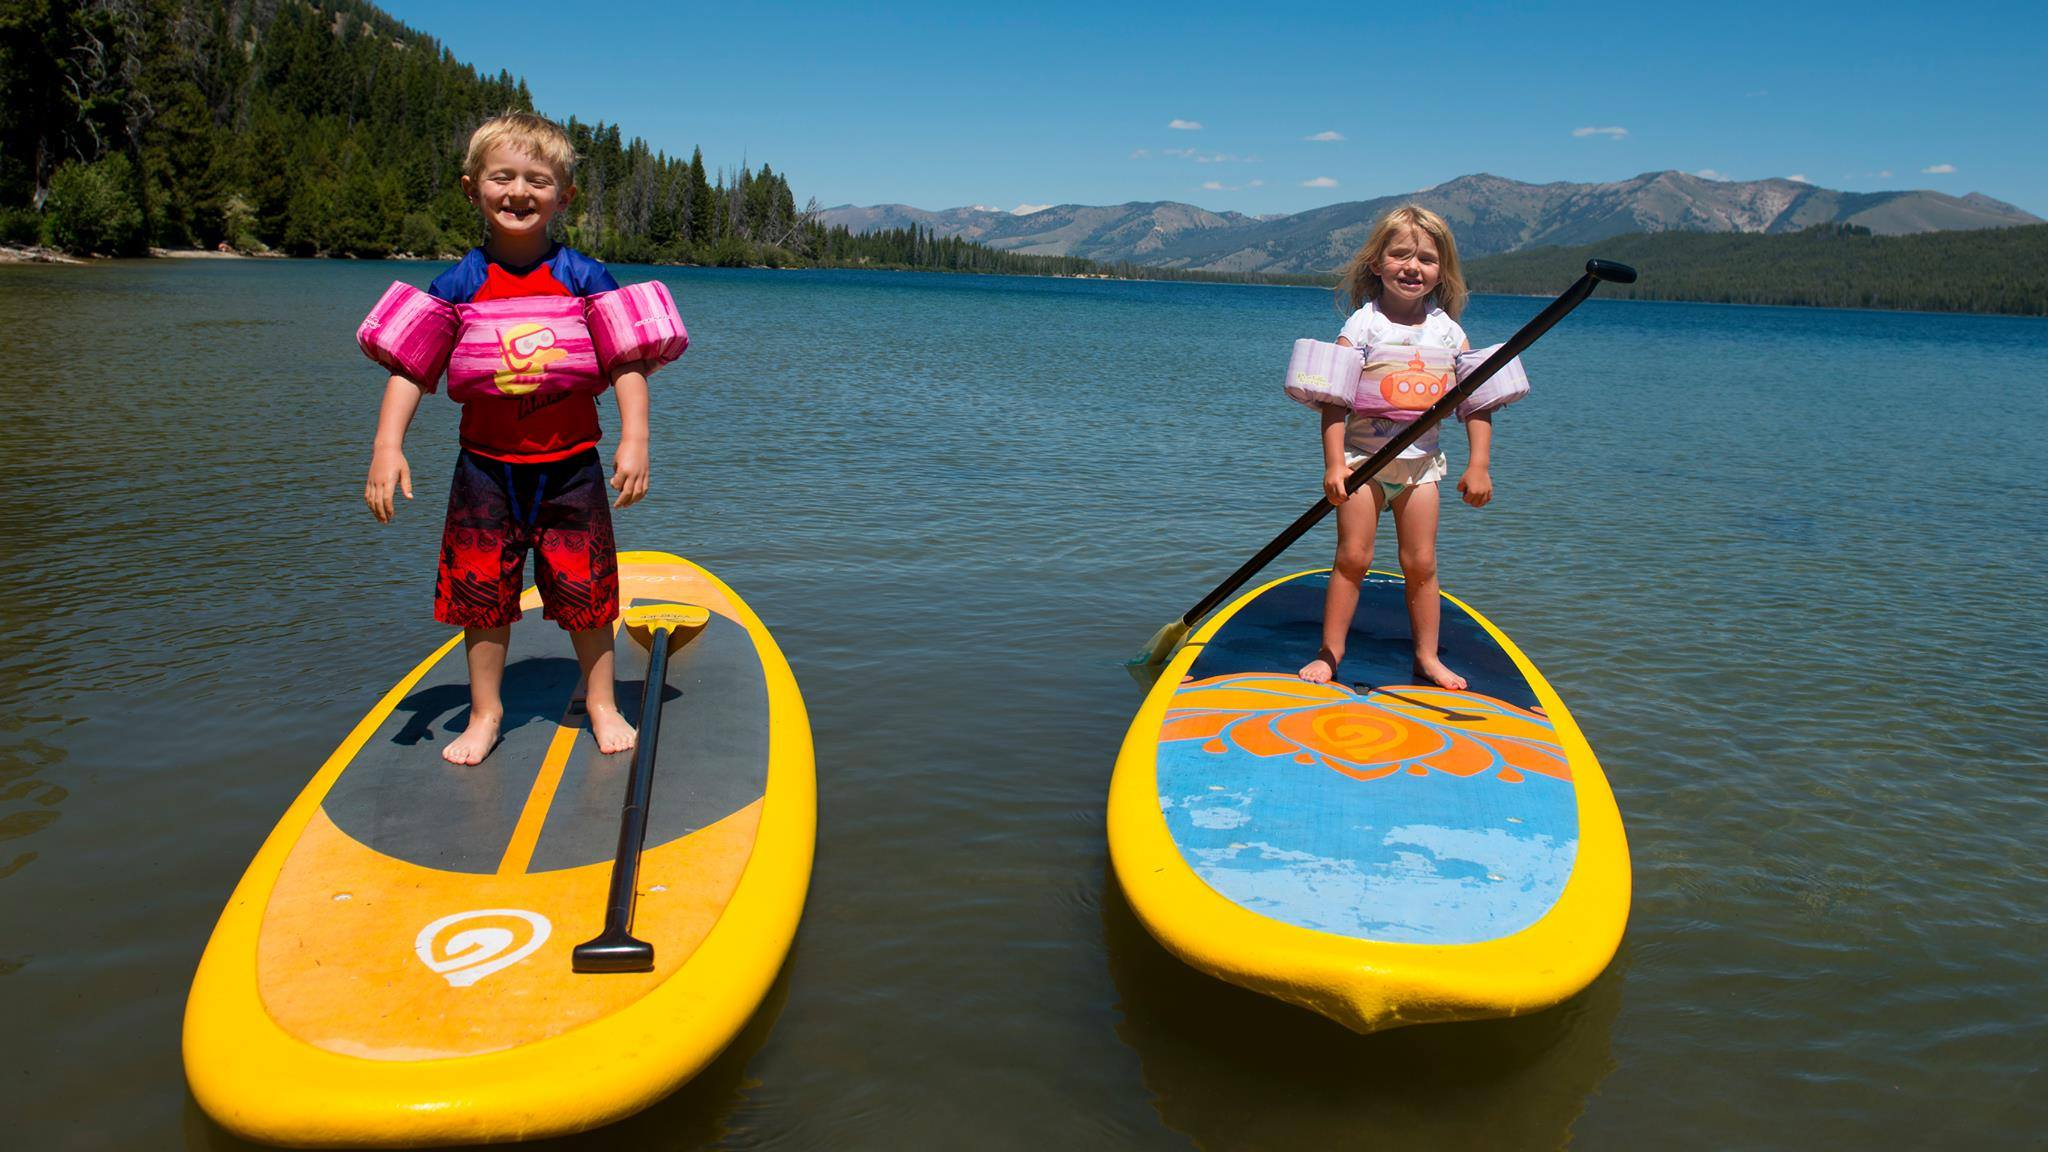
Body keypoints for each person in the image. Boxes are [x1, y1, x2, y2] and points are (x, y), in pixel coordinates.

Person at [363, 111, 651, 765]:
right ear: (472, 189)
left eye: (538, 180)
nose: (520, 191)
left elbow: (627, 360)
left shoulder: (584, 279)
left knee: (587, 594)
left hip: (571, 468)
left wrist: (634, 438)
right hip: (485, 473)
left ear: (564, 197)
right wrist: (388, 446)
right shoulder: (459, 285)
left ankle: (601, 701)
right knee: (480, 595)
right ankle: (487, 712)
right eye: (503, 177)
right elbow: (412, 368)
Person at [1299, 205, 1491, 691]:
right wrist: (1335, 464)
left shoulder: (1448, 333)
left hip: (1422, 467)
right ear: (1376, 264)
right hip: (1363, 465)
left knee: (1421, 564)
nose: (1412, 266)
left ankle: (1427, 656)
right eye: (1400, 254)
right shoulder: (1362, 328)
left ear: (1441, 271)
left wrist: (1479, 465)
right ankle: (1331, 651)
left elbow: (1475, 404)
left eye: (1426, 258)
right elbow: (1334, 401)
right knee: (1353, 558)